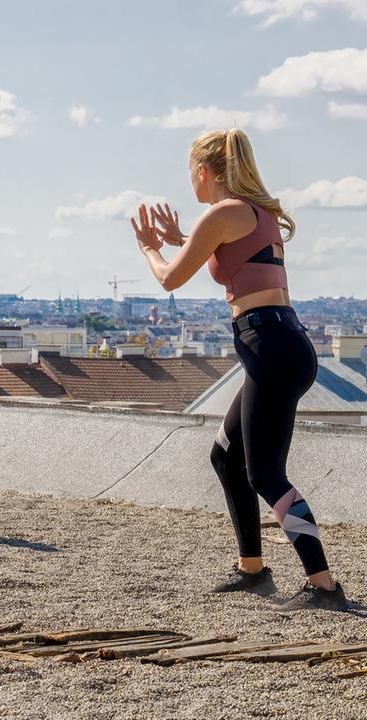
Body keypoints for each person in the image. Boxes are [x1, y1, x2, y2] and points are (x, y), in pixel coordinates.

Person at [131, 128, 348, 611]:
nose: (191, 182)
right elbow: (230, 254)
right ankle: (253, 569)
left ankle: (324, 584)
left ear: (204, 172)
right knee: (227, 458)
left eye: (191, 173)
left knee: (266, 473)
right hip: (278, 344)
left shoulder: (223, 212)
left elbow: (170, 278)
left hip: (269, 346)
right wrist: (184, 238)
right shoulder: (255, 213)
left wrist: (150, 247)